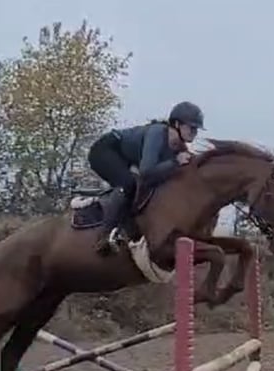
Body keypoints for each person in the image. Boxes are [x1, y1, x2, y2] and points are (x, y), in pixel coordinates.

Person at [86, 101, 205, 255]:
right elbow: (147, 172)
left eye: (196, 129)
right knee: (128, 184)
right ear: (176, 124)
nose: (195, 132)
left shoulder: (179, 147)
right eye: (192, 127)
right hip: (104, 150)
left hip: (123, 158)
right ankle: (104, 235)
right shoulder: (157, 133)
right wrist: (175, 162)